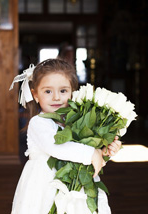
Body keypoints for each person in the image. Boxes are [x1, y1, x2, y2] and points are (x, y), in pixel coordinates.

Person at [9, 59, 121, 214]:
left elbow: (87, 151)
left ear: (72, 92)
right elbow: (55, 146)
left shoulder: (77, 121)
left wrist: (103, 150)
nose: (56, 97)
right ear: (35, 94)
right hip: (45, 186)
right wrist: (90, 154)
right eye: (48, 91)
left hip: (77, 187)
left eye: (63, 91)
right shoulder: (39, 122)